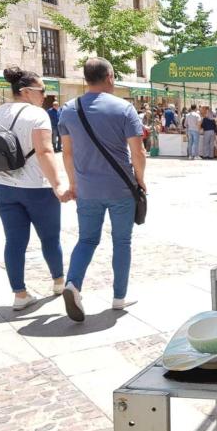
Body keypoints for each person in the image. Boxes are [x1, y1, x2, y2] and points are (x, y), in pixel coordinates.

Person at [58, 57, 146, 322]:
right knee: (122, 241)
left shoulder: (69, 110)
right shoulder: (124, 108)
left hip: (87, 189)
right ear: (109, 76)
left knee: (87, 240)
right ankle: (119, 297)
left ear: (86, 78)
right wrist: (140, 180)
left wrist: (72, 183)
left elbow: (67, 152)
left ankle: (73, 284)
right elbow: (138, 152)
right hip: (120, 188)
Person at [0, 67, 71, 310]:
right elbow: (45, 151)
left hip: (2, 185)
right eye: (42, 90)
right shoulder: (37, 115)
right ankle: (58, 282)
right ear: (25, 91)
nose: (45, 95)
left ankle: (20, 294)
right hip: (36, 186)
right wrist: (58, 184)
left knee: (14, 241)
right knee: (50, 238)